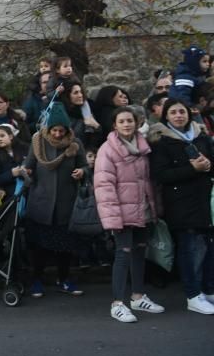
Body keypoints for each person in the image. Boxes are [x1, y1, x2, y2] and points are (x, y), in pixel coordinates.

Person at [94, 107, 164, 323]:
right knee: (123, 254)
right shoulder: (108, 150)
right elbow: (104, 186)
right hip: (121, 212)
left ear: (136, 123)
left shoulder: (143, 147)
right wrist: (112, 218)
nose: (126, 124)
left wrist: (154, 209)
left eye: (130, 121)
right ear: (115, 125)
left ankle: (137, 296)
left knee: (139, 252)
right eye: (122, 121)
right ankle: (117, 304)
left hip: (142, 210)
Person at [148, 98, 214, 314]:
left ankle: (208, 290)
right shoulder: (161, 142)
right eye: (174, 112)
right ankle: (193, 295)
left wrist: (208, 165)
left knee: (208, 249)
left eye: (182, 112)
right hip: (181, 204)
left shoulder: (201, 137)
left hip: (204, 201)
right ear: (166, 116)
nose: (178, 115)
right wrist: (192, 168)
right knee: (190, 250)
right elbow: (161, 175)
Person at [22, 106, 88, 299]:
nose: (58, 134)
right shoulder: (38, 142)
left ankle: (64, 279)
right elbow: (28, 166)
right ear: (48, 129)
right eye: (54, 130)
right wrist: (28, 173)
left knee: (65, 248)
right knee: (39, 248)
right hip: (40, 203)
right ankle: (36, 280)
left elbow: (84, 165)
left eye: (61, 131)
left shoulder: (75, 144)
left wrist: (82, 172)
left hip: (65, 203)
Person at [169, 45, 211, 109]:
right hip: (181, 108)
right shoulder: (185, 77)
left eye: (208, 61)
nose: (208, 64)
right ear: (194, 63)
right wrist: (189, 108)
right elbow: (183, 95)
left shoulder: (194, 76)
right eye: (204, 61)